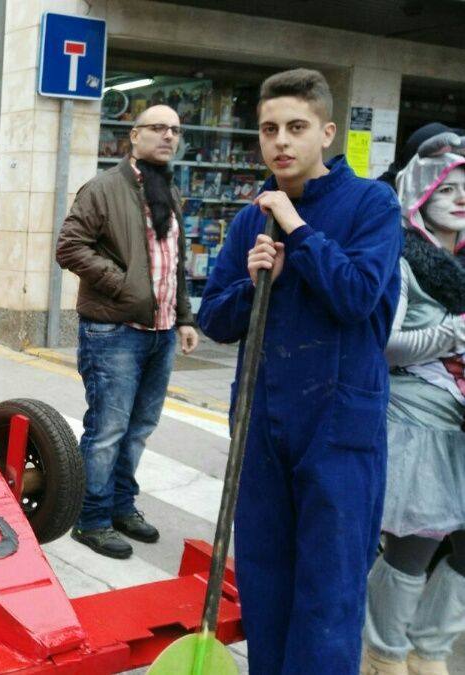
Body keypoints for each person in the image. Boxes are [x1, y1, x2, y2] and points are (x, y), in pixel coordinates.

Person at [198, 68, 403, 674]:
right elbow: (215, 317)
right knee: (265, 583)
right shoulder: (247, 221)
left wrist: (299, 231)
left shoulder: (371, 204)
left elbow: (359, 296)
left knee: (329, 593)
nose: (281, 142)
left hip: (340, 427)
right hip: (262, 422)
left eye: (296, 127)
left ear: (327, 132)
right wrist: (258, 280)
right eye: (269, 130)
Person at [55, 103, 200, 560]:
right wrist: (124, 285)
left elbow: (173, 265)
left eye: (174, 130)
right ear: (133, 136)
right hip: (114, 330)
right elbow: (69, 246)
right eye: (158, 128)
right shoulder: (103, 189)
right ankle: (91, 517)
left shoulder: (168, 192)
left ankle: (122, 506)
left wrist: (184, 318)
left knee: (139, 429)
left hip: (159, 334)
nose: (168, 136)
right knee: (108, 430)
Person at [362, 132, 465, 675]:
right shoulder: (400, 254)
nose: (461, 197)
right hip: (418, 419)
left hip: (461, 421)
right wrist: (452, 334)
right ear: (422, 190)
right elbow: (383, 344)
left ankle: (430, 650)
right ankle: (384, 654)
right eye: (448, 185)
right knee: (414, 547)